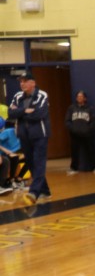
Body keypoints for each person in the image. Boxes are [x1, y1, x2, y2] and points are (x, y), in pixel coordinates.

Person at [8, 73, 51, 201]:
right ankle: (45, 191)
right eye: (21, 81)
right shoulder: (17, 96)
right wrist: (25, 111)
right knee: (31, 163)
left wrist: (19, 112)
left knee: (39, 162)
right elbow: (10, 113)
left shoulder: (42, 95)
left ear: (33, 83)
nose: (22, 84)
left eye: (25, 81)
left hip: (39, 135)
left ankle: (34, 192)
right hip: (24, 135)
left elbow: (39, 114)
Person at [67, 90, 95, 174]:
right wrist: (72, 129)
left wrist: (89, 129)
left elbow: (94, 121)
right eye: (78, 97)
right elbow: (67, 121)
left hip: (87, 134)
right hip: (75, 134)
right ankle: (74, 168)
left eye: (81, 96)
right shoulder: (71, 108)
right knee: (74, 152)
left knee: (91, 150)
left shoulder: (90, 108)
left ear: (85, 98)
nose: (79, 98)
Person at [0, 118, 20, 194]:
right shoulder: (8, 132)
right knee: (7, 160)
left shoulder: (23, 136)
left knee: (29, 158)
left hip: (6, 155)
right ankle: (10, 181)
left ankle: (15, 180)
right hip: (3, 153)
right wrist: (6, 151)